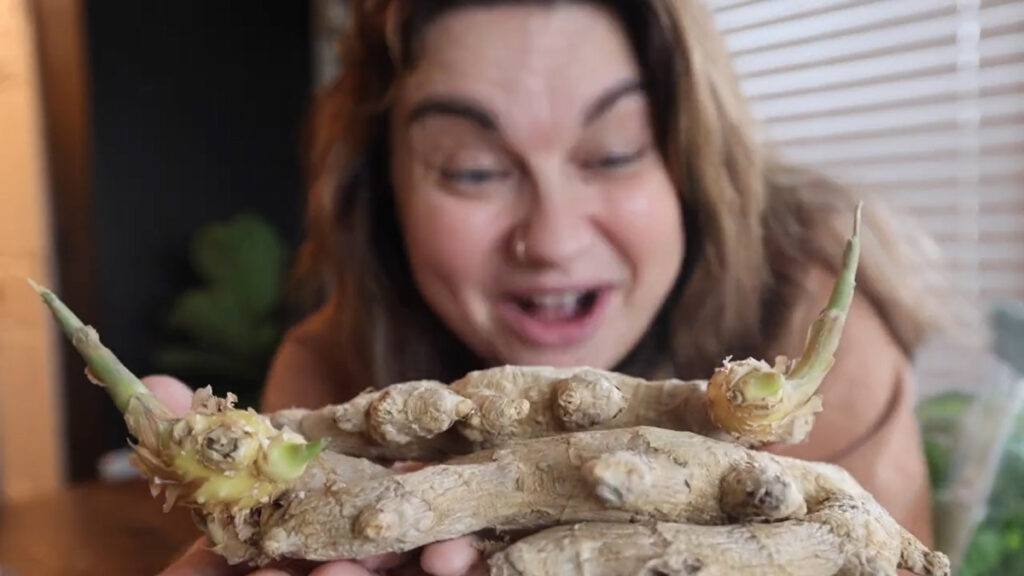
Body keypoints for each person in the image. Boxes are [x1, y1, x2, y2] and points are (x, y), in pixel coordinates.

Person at [151, 0, 973, 574]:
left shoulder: (813, 330)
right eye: (472, 170)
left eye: (614, 152)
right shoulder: (328, 368)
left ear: (691, 165)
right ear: (383, 189)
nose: (551, 241)